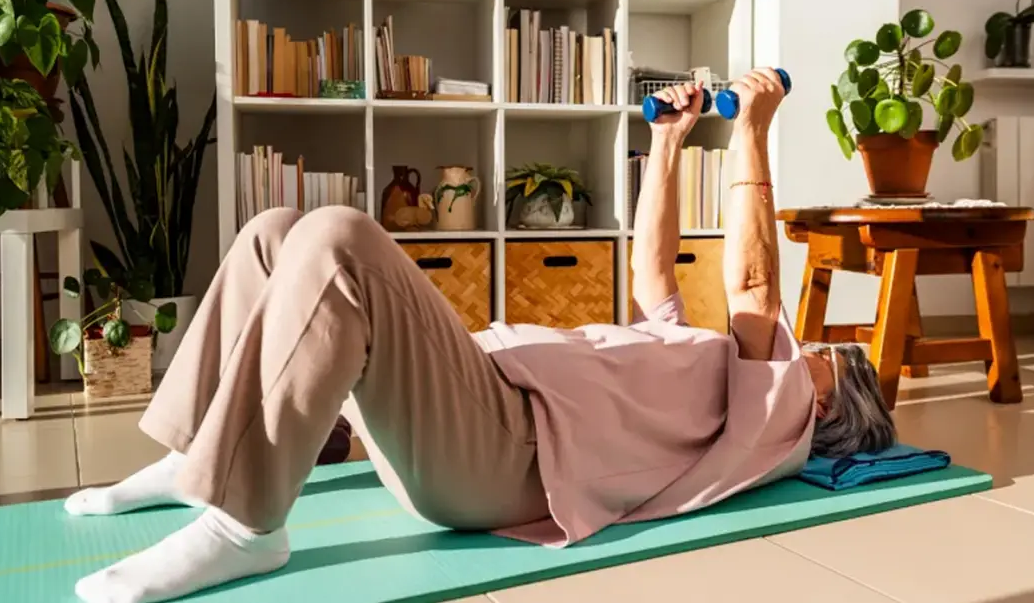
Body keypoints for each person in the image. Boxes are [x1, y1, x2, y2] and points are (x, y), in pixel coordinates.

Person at [67, 70, 896, 603]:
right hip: (481, 403)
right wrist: (667, 144)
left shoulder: (773, 420)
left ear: (828, 395)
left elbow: (753, 284)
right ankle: (202, 453)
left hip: (506, 454)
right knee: (276, 230)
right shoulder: (709, 368)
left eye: (826, 354)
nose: (805, 345)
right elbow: (655, 280)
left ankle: (247, 524)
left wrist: (753, 128)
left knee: (340, 240)